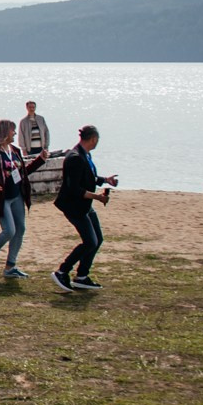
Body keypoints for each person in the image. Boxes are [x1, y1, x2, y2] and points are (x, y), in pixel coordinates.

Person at [50, 125, 117, 294]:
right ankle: (62, 271)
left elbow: (89, 177)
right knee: (90, 241)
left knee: (97, 239)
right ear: (93, 139)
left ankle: (81, 277)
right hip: (73, 206)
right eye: (97, 140)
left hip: (85, 206)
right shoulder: (75, 158)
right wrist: (98, 197)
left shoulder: (84, 155)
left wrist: (105, 180)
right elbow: (74, 189)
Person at [0, 120, 37, 279]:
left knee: (20, 229)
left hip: (16, 195)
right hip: (1, 198)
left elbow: (23, 172)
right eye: (13, 131)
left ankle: (10, 266)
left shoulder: (15, 150)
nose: (15, 134)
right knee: (9, 230)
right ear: (4, 131)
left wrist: (41, 160)